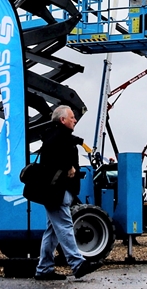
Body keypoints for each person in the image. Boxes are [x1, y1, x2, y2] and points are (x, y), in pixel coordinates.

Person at [33, 105, 98, 282]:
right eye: (72, 117)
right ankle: (77, 264)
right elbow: (54, 156)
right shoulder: (58, 137)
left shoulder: (56, 136)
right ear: (62, 120)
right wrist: (68, 167)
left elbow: (51, 154)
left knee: (52, 231)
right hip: (57, 191)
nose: (75, 120)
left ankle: (44, 269)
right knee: (65, 226)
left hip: (55, 191)